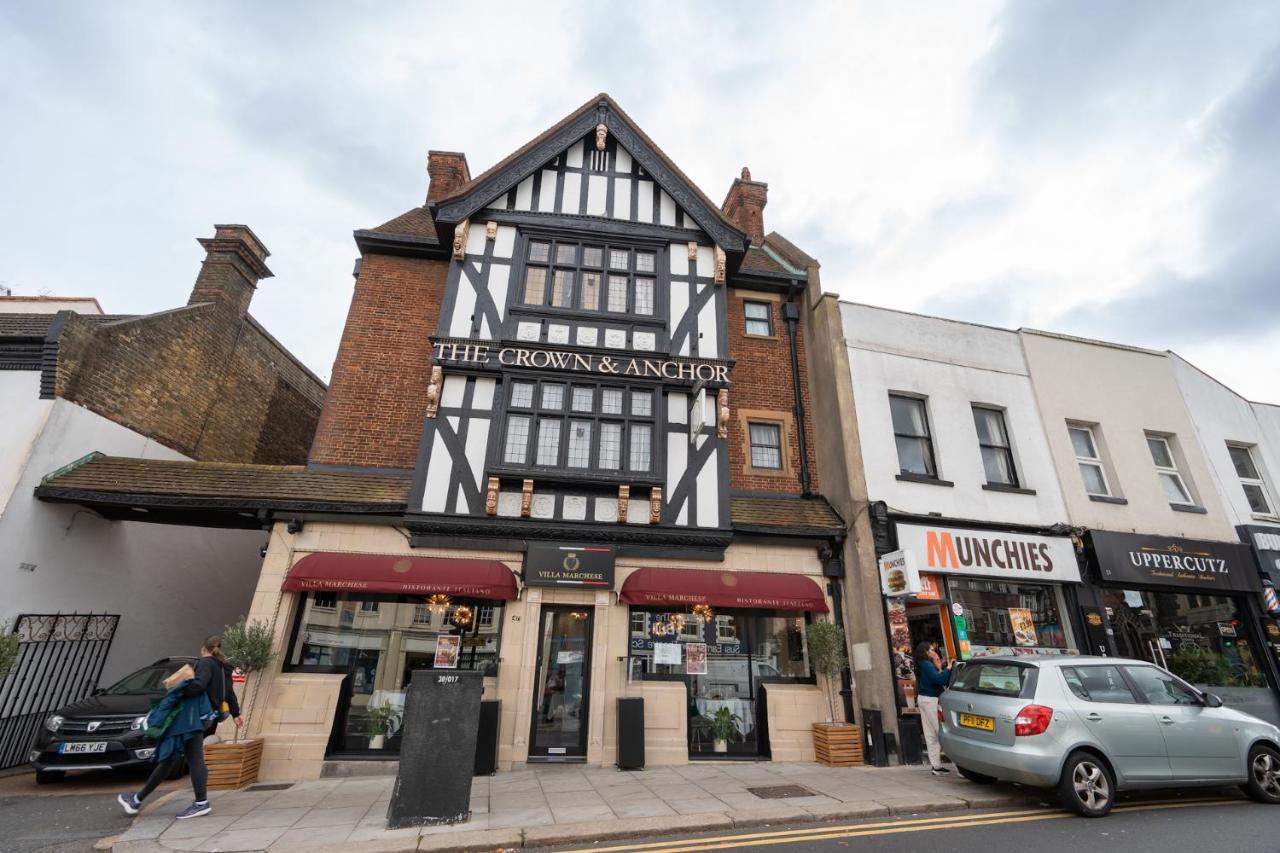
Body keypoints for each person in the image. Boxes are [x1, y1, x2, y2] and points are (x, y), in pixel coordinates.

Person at [117, 636, 243, 820]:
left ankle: (141, 800)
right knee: (189, 759)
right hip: (204, 718)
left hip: (189, 717)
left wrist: (179, 686)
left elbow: (198, 686)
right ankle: (139, 799)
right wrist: (236, 713)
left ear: (203, 649)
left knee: (173, 756)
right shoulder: (223, 668)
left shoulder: (206, 663)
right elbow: (229, 693)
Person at [914, 640, 951, 776]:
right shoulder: (927, 665)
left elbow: (937, 678)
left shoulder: (923, 665)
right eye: (931, 650)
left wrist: (939, 667)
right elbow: (940, 680)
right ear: (925, 652)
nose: (934, 652)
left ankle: (936, 765)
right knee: (940, 731)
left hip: (924, 699)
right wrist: (948, 668)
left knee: (930, 734)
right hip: (931, 700)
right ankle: (959, 766)